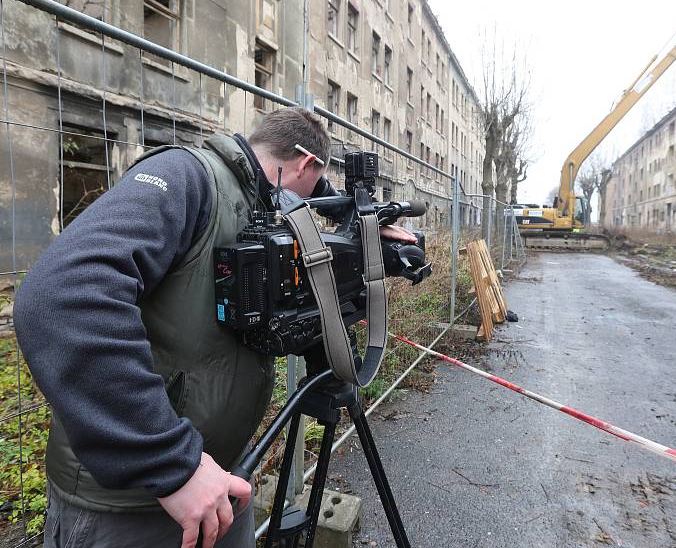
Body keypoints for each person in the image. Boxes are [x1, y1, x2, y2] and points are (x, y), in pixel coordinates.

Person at [13, 107, 414, 548]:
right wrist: (170, 462)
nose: (313, 203)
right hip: (135, 504)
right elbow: (63, 295)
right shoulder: (188, 177)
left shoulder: (259, 205)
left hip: (219, 483)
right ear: (306, 164)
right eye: (317, 185)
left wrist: (365, 242)